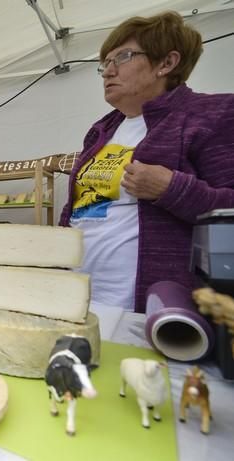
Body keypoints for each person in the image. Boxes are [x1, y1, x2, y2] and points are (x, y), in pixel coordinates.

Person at [59, 11, 234, 313]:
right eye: (105, 63)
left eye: (122, 57)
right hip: (79, 293)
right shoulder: (103, 129)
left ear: (166, 63)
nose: (108, 71)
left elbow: (229, 212)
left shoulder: (211, 115)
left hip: (150, 305)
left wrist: (172, 188)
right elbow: (80, 208)